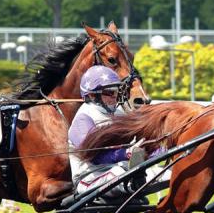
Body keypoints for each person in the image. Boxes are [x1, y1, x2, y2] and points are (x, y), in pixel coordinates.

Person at [68, 65, 168, 200]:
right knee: (121, 171)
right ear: (92, 95)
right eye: (110, 92)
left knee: (168, 171)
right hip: (89, 178)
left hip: (121, 170)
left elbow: (141, 143)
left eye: (117, 91)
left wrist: (165, 151)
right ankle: (136, 184)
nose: (115, 96)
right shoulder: (83, 118)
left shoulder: (119, 112)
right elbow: (94, 157)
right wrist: (126, 153)